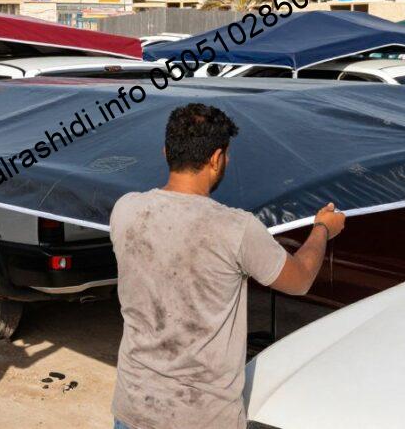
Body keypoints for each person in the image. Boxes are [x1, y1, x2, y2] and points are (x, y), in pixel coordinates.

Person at [109, 103, 346, 429]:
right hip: (201, 419)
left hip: (132, 410)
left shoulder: (125, 211)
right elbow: (300, 279)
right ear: (217, 158)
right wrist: (322, 229)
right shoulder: (235, 228)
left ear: (166, 152)